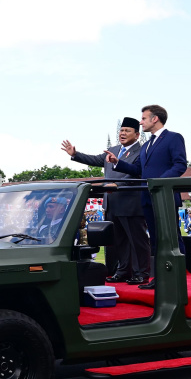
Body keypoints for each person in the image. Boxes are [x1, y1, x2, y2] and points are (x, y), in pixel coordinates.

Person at [105, 105, 187, 289]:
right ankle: (159, 278)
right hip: (148, 198)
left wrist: (158, 182)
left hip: (164, 195)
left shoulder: (173, 138)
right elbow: (138, 170)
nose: (141, 122)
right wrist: (118, 163)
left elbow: (180, 165)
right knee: (156, 240)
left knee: (172, 238)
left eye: (143, 119)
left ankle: (178, 278)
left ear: (155, 119)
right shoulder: (148, 144)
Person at [62, 116, 150, 284]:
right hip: (112, 203)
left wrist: (116, 184)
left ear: (137, 135)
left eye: (127, 131)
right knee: (119, 241)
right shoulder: (113, 150)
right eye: (121, 131)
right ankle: (123, 271)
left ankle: (141, 273)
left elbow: (137, 173)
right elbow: (95, 160)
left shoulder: (142, 151)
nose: (123, 134)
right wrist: (75, 154)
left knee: (137, 240)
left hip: (131, 203)